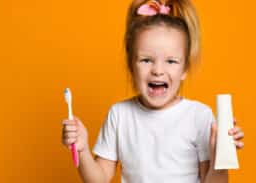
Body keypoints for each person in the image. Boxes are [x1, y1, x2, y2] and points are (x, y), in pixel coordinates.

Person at [61, 0, 244, 182]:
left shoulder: (199, 117)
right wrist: (82, 149)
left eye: (171, 61)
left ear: (185, 68)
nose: (158, 70)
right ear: (131, 65)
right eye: (146, 60)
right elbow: (98, 180)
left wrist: (220, 158)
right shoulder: (120, 115)